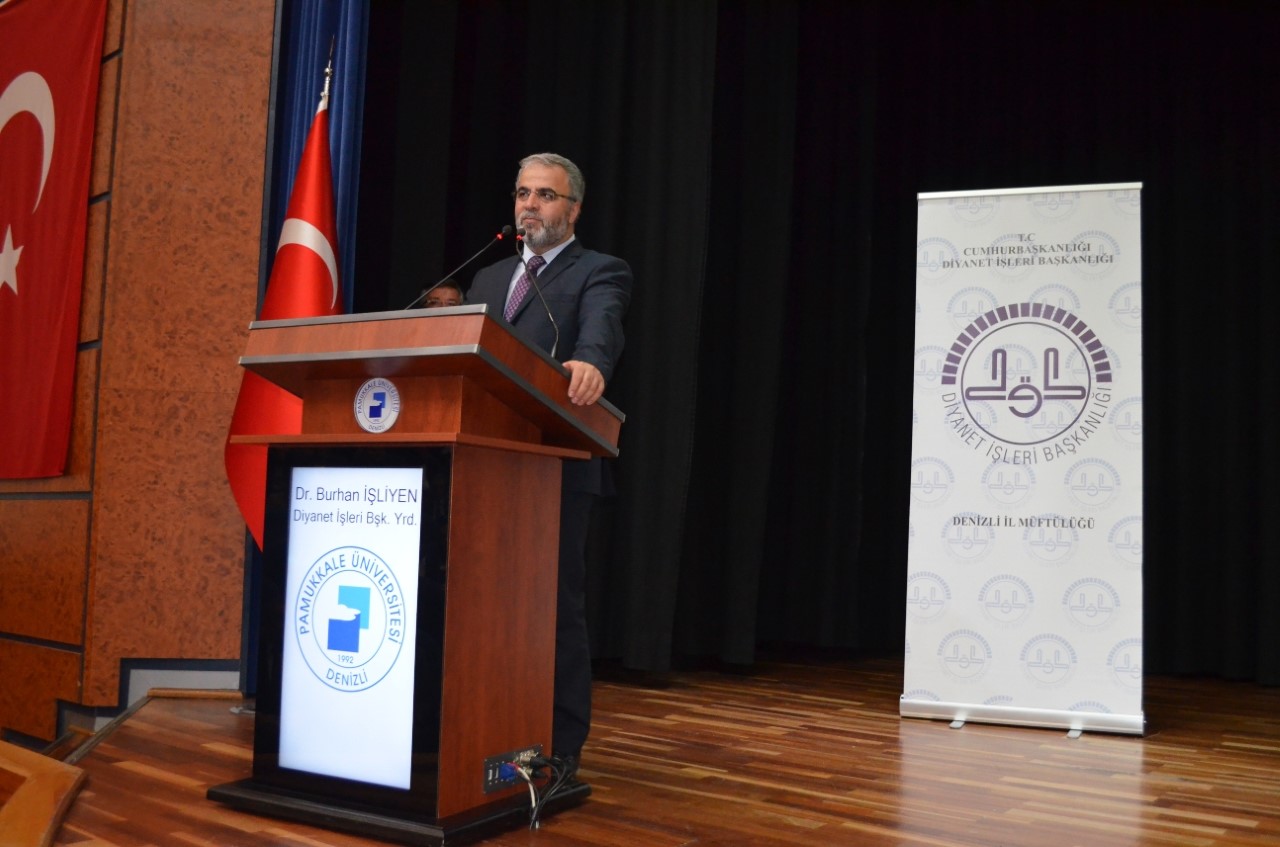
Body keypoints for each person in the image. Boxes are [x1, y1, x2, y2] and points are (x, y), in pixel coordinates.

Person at [468, 153, 632, 776]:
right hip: (484, 465)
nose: (529, 205)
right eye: (522, 193)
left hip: (555, 466)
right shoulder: (487, 279)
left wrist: (590, 362)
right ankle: (482, 726)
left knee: (553, 607)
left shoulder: (599, 270)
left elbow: (602, 328)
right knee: (482, 607)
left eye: (544, 195)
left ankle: (561, 747)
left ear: (573, 209)